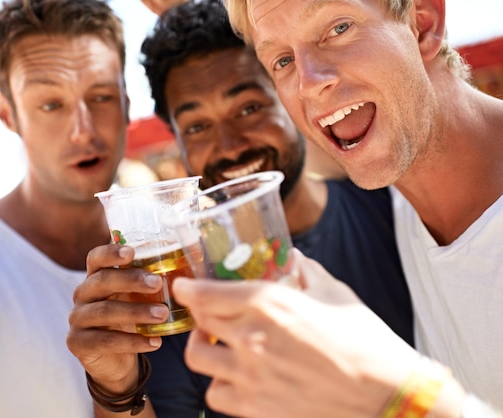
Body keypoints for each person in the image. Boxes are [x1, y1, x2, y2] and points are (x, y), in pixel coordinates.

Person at [66, 0, 413, 416]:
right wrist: (115, 385)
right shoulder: (176, 293)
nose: (229, 145)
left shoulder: (396, 210)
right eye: (197, 126)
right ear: (177, 142)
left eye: (249, 108)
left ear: (290, 95)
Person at [168, 0, 503, 416]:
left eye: (339, 28)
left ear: (422, 22)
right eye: (283, 60)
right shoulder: (396, 187)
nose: (309, 83)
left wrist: (396, 397)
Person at [0, 1, 128, 416]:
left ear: (126, 99)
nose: (83, 129)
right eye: (51, 105)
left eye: (101, 96)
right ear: (8, 114)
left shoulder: (172, 236)